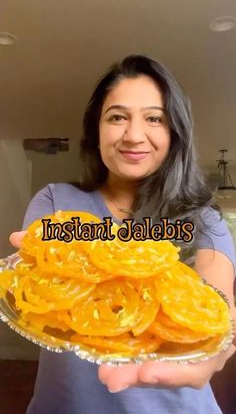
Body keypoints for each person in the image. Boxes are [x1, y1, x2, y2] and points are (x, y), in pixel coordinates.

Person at [10, 55, 236, 414]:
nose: (133, 135)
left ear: (174, 132)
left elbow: (219, 306)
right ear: (95, 130)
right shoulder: (56, 201)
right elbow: (39, 281)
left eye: (154, 118)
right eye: (117, 117)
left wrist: (215, 349)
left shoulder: (204, 219)